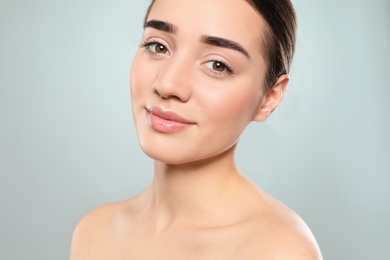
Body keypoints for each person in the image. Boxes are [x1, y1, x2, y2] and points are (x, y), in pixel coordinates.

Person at [70, 0, 323, 258]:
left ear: (270, 97)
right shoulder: (93, 232)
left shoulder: (279, 251)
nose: (167, 84)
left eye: (217, 65)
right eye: (158, 46)